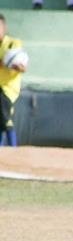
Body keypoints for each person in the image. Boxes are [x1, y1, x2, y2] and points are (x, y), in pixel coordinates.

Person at [0, 14, 27, 147]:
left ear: (4, 28)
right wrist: (4, 62)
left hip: (8, 87)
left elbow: (22, 65)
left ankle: (13, 149)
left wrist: (15, 65)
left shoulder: (13, 43)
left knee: (5, 118)